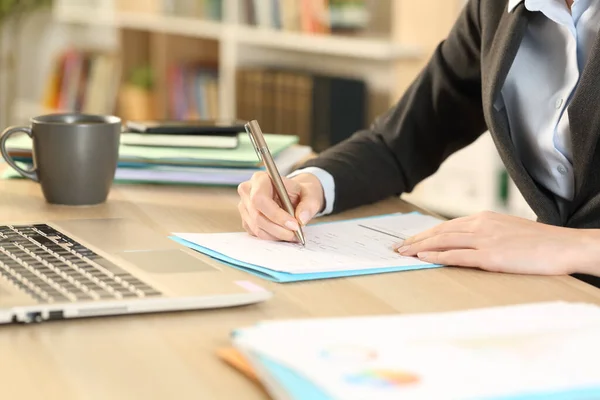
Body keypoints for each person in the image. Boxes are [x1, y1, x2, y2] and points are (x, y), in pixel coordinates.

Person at [237, 0, 600, 287]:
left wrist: (575, 246)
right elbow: (403, 140)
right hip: (554, 293)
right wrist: (310, 183)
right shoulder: (493, 10)